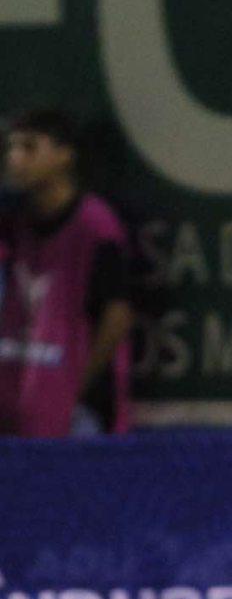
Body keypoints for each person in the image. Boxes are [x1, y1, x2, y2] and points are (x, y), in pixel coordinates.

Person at [0, 109, 133, 437]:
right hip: (14, 420)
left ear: (64, 155)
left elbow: (118, 315)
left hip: (77, 420)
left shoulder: (96, 227)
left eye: (29, 148)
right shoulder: (12, 224)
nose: (16, 159)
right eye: (12, 148)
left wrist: (75, 387)